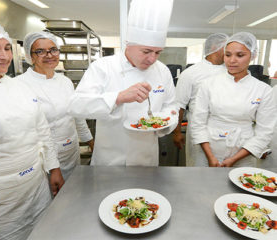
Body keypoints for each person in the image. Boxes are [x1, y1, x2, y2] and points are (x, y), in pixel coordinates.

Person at [0, 17, 64, 240]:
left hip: (36, 191)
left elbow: (42, 130)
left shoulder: (18, 86)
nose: (4, 55)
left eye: (7, 48)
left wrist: (53, 167)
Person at [68, 0, 178, 166]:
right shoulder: (103, 67)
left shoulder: (162, 71)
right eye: (146, 51)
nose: (152, 59)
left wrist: (162, 124)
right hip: (109, 160)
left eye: (158, 52)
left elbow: (171, 106)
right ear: (128, 44)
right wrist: (119, 97)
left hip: (146, 159)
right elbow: (76, 106)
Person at [14, 32, 94, 181]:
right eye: (40, 51)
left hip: (71, 152)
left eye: (53, 49)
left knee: (73, 192)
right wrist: (52, 166)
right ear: (30, 56)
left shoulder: (65, 81)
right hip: (44, 159)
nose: (49, 55)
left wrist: (92, 144)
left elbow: (77, 117)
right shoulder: (20, 85)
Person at [191, 32, 277, 167]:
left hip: (243, 157)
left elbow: (264, 132)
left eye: (240, 55)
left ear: (253, 56)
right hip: (208, 153)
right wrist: (211, 157)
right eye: (228, 54)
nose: (232, 60)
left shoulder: (262, 90)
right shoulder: (209, 84)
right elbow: (198, 124)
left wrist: (233, 160)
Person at [173, 33, 228, 166]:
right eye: (227, 47)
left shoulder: (230, 71)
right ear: (215, 47)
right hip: (199, 129)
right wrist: (177, 132)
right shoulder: (191, 73)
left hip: (224, 131)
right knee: (198, 169)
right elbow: (178, 105)